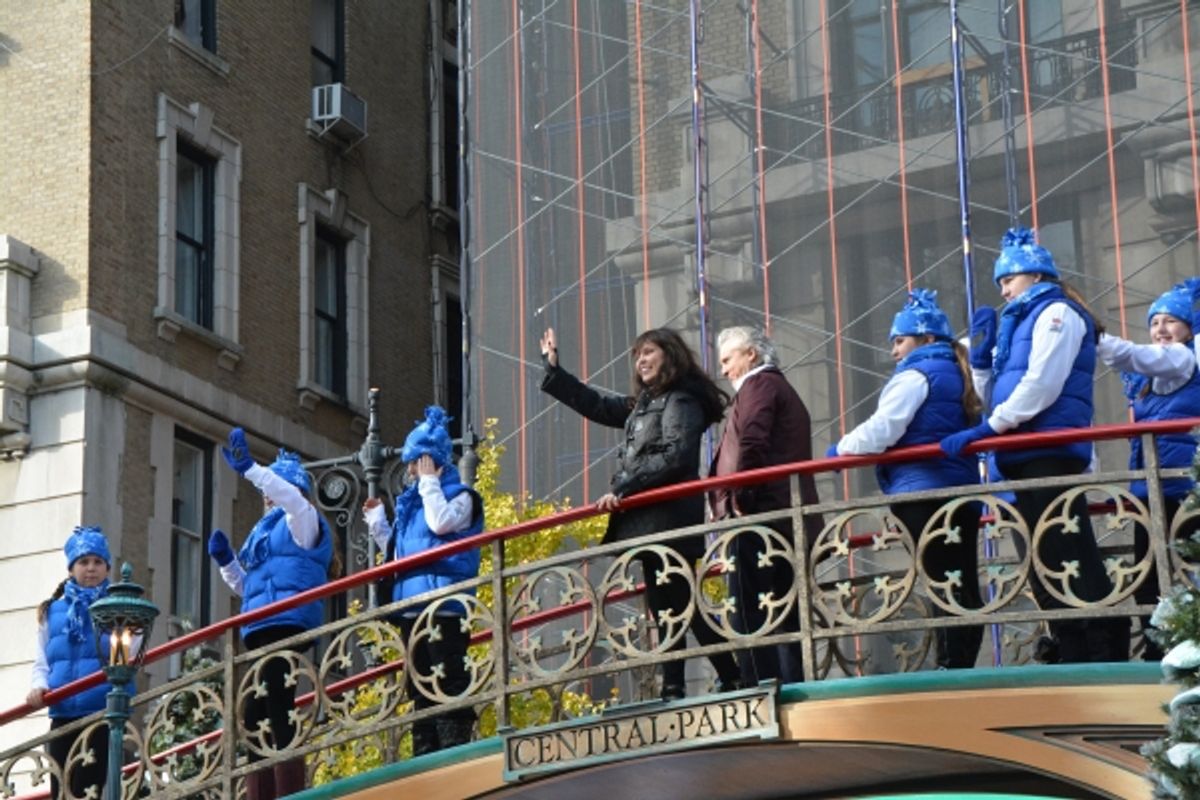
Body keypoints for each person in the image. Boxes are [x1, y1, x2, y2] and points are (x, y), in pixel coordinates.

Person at [940, 227, 1128, 663]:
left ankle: (1099, 645)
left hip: (1047, 449)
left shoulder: (1056, 313)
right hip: (1023, 450)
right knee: (1043, 553)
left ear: (1036, 275)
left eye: (1008, 278)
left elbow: (1041, 384)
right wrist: (983, 365)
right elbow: (999, 393)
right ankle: (1071, 641)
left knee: (1066, 546)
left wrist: (990, 428)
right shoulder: (1021, 320)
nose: (1003, 288)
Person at [539, 326, 744, 700]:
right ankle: (689, 681)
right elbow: (597, 405)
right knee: (670, 603)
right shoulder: (646, 404)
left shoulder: (680, 401)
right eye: (637, 355)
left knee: (678, 601)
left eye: (649, 352)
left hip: (668, 518)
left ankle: (713, 677)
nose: (641, 361)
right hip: (651, 519)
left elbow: (675, 455)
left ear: (670, 355)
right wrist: (555, 371)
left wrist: (623, 487)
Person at [828, 290, 984, 668]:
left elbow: (885, 428)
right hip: (961, 491)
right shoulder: (960, 372)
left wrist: (841, 451)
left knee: (939, 580)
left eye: (900, 341)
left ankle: (951, 665)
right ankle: (960, 661)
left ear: (926, 339)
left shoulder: (916, 374)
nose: (895, 351)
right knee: (960, 578)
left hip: (922, 491)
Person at [207, 428, 333, 800]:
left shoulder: (302, 519)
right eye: (265, 491)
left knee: (278, 705)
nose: (266, 496)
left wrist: (252, 470)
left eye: (272, 489)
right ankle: (261, 793)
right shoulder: (263, 534)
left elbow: (290, 499)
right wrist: (227, 563)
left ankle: (285, 791)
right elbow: (249, 589)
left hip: (288, 622)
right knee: (253, 716)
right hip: (261, 625)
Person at [362, 405, 483, 756]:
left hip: (443, 603)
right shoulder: (415, 501)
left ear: (431, 459)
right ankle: (426, 752)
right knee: (419, 684)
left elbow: (440, 524)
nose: (412, 471)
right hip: (413, 607)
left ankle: (454, 749)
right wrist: (378, 524)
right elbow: (402, 551)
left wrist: (431, 482)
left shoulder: (460, 496)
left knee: (447, 677)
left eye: (417, 462)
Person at [709, 325, 822, 684]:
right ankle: (787, 684)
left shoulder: (759, 386)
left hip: (761, 517)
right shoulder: (775, 387)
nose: (724, 371)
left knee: (751, 608)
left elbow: (753, 442)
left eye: (728, 360)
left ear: (751, 355)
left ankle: (759, 686)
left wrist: (742, 496)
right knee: (782, 608)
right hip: (779, 515)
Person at [1097, 278, 1200, 660]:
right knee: (1149, 576)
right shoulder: (1149, 380)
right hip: (1149, 489)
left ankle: (1180, 652)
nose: (1161, 329)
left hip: (1181, 488)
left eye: (1171, 321)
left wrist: (1092, 335)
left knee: (1182, 571)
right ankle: (1161, 650)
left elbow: (1129, 355)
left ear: (1189, 328)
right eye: (1155, 322)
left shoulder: (1182, 359)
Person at [27, 526, 118, 800]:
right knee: (61, 792)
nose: (91, 568)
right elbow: (41, 660)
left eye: (98, 562)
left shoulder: (118, 605)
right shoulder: (50, 611)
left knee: (86, 790)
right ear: (71, 568)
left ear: (107, 568)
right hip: (62, 713)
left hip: (100, 711)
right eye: (83, 562)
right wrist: (38, 686)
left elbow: (130, 652)